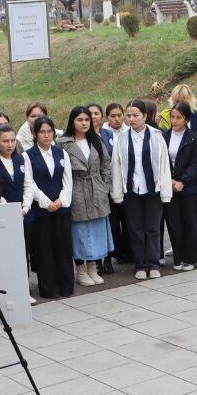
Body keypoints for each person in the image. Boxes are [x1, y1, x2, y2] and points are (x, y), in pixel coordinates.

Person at [111, 99, 172, 280]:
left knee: (153, 228)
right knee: (135, 229)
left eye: (135, 115)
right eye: (128, 115)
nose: (131, 119)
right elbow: (116, 165)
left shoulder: (156, 135)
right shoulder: (122, 138)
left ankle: (153, 264)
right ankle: (140, 264)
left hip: (153, 189)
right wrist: (117, 193)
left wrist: (165, 191)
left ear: (145, 116)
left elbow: (164, 165)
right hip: (131, 190)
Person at [57, 106, 114, 286]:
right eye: (80, 120)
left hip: (96, 189)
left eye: (87, 120)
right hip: (77, 190)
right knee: (79, 232)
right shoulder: (63, 143)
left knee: (96, 231)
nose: (84, 123)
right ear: (72, 122)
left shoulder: (96, 140)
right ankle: (80, 270)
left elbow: (106, 164)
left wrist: (105, 185)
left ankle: (92, 267)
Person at [24, 116, 75, 298]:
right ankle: (49, 289)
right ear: (35, 134)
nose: (46, 135)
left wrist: (61, 201)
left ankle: (66, 286)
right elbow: (30, 184)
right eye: (42, 132)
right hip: (42, 211)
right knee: (45, 249)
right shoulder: (28, 156)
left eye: (49, 131)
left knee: (63, 247)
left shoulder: (62, 154)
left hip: (62, 209)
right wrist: (47, 203)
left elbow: (68, 181)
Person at [163, 102, 197, 270]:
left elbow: (196, 164)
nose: (175, 120)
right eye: (172, 117)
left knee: (190, 223)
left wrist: (182, 182)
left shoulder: (192, 137)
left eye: (178, 117)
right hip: (169, 186)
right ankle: (178, 258)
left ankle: (190, 258)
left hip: (188, 188)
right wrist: (170, 181)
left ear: (186, 119)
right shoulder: (164, 136)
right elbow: (161, 161)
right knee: (174, 224)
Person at [102, 102, 130, 271]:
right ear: (107, 117)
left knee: (128, 220)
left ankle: (128, 252)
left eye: (120, 115)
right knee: (112, 222)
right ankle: (114, 253)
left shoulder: (128, 131)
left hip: (126, 184)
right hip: (109, 184)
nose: (117, 119)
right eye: (113, 116)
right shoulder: (104, 134)